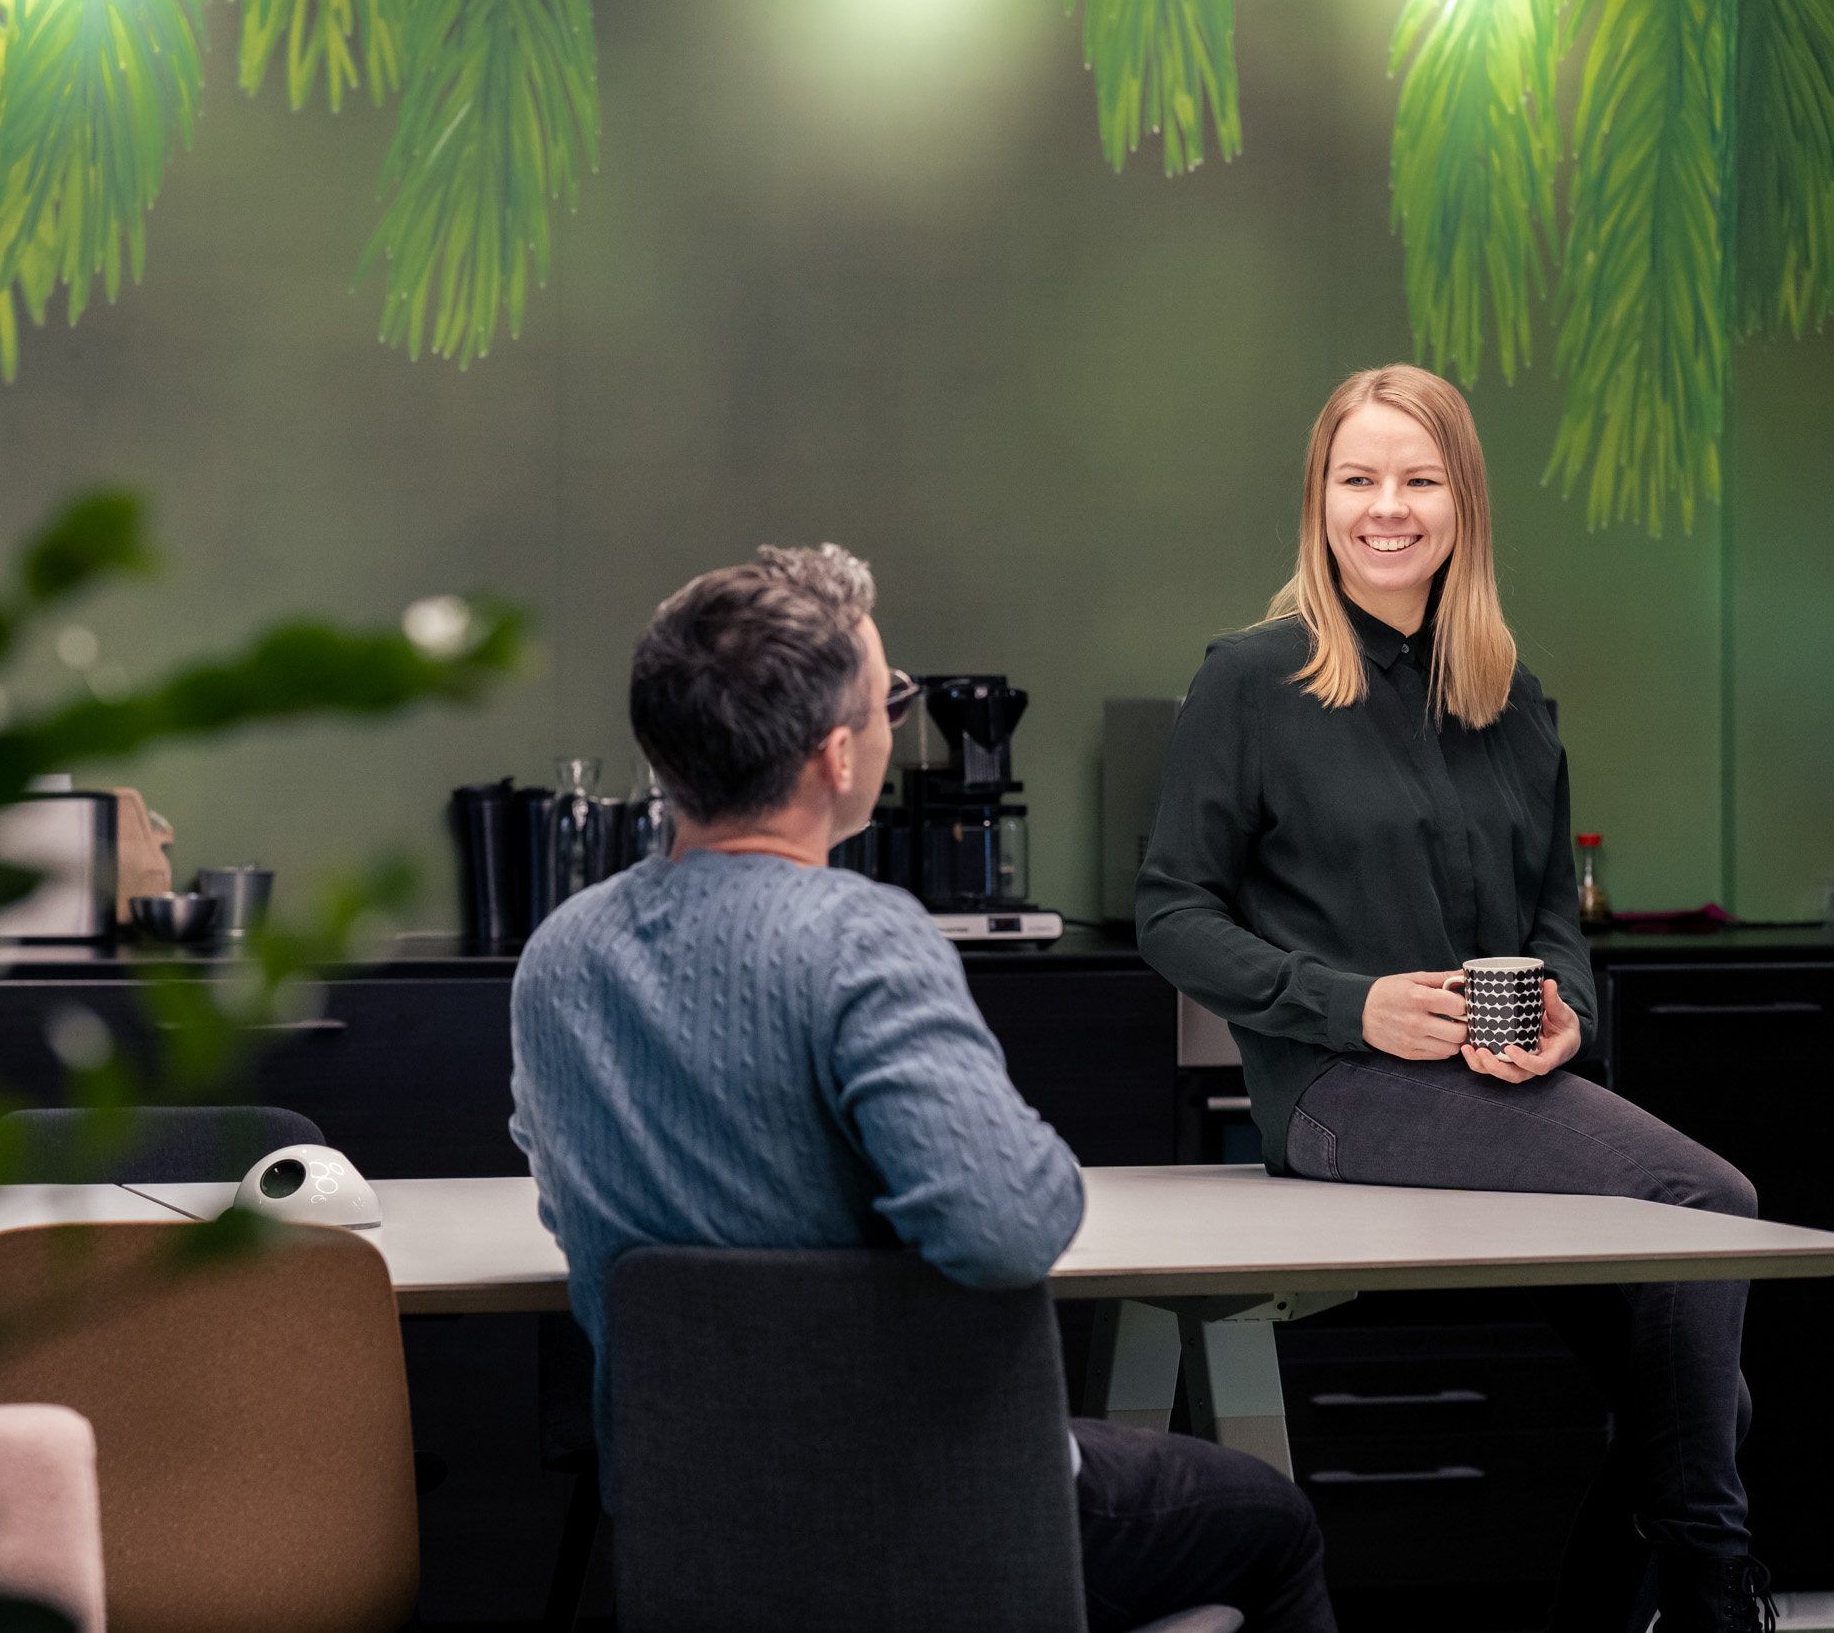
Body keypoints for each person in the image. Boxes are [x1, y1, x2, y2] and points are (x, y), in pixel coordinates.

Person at [509, 544, 1336, 1633]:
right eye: (890, 697)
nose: (900, 721)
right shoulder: (860, 938)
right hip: (935, 1503)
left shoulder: (560, 953)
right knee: (1269, 1521)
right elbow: (1005, 1226)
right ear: (837, 752)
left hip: (685, 1514)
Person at [1135, 365, 1768, 1633]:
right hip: (1335, 1094)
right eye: (1356, 479)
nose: (1387, 508)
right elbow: (1170, 913)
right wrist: (1346, 1004)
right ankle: (1714, 1588)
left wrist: (1569, 1011)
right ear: (1318, 501)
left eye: (1417, 480)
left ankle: (1628, 1602)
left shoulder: (1509, 696)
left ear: (1461, 504)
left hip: (1496, 1093)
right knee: (1711, 1204)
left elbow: (1548, 919)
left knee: (1692, 1376)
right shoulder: (1250, 680)